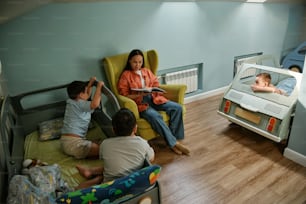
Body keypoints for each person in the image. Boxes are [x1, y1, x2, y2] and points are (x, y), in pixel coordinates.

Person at [117, 49, 190, 155]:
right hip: (141, 102)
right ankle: (174, 144)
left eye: (140, 62)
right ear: (129, 61)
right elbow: (124, 95)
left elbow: (156, 83)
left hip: (154, 98)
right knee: (155, 116)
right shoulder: (126, 75)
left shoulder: (146, 71)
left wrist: (152, 89)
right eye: (135, 62)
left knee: (177, 108)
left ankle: (174, 139)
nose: (138, 65)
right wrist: (139, 94)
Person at [75, 108, 155, 190]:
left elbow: (107, 160)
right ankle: (91, 172)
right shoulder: (142, 143)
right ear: (135, 128)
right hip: (131, 184)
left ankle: (91, 174)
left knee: (111, 167)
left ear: (113, 130)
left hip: (110, 186)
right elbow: (151, 158)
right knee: (118, 166)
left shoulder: (105, 144)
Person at [60, 77, 104, 159]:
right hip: (73, 143)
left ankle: (88, 144)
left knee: (100, 144)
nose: (89, 93)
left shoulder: (72, 102)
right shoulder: (80, 103)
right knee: (102, 149)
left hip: (66, 141)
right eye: (86, 91)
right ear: (80, 94)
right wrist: (99, 87)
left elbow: (86, 95)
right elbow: (95, 104)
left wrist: (90, 84)